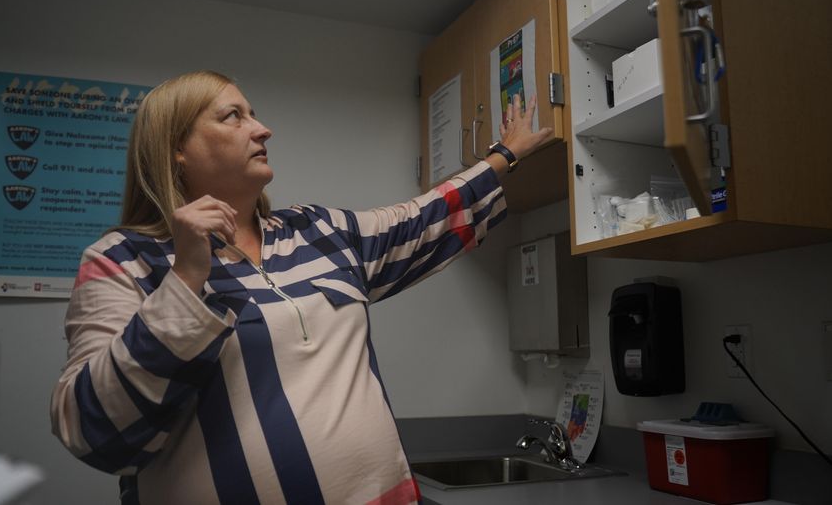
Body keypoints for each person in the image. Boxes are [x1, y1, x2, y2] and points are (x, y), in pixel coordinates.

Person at [50, 70, 553, 505]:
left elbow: (420, 218)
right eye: (233, 117)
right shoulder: (122, 260)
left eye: (255, 114)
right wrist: (185, 280)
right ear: (176, 148)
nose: (262, 128)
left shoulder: (317, 232)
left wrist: (505, 155)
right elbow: (91, 428)